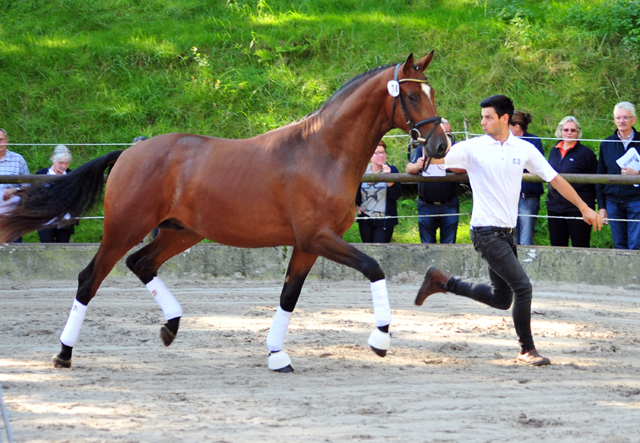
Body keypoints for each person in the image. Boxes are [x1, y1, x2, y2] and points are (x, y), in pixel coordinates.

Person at [414, 95, 602, 366]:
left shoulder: (523, 149)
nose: (482, 122)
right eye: (481, 117)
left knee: (501, 299)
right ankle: (527, 349)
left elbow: (555, 179)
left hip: (506, 233)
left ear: (505, 118)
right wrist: (430, 141)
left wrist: (585, 207)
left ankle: (442, 282)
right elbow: (436, 158)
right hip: (484, 231)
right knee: (523, 287)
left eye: (488, 117)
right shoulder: (472, 147)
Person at [406, 118, 463, 244]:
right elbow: (409, 168)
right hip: (426, 205)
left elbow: (463, 169)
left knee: (449, 246)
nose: (446, 137)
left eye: (448, 133)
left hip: (449, 204)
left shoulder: (456, 148)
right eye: (443, 133)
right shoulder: (423, 147)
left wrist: (446, 162)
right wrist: (417, 166)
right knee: (427, 247)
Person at [547, 117, 598, 247]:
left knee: (580, 247)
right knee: (557, 247)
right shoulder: (554, 151)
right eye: (566, 130)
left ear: (578, 132)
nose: (569, 133)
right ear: (560, 131)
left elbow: (595, 182)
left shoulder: (586, 154)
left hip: (578, 209)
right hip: (555, 208)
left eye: (573, 130)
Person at [597, 102, 640, 249]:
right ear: (614, 120)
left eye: (626, 117)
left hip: (637, 200)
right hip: (613, 201)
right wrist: (602, 206)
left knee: (636, 244)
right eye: (618, 117)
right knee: (619, 245)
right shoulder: (606, 144)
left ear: (634, 120)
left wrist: (638, 174)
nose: (622, 121)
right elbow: (600, 175)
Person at [355, 140, 401, 243]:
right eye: (377, 153)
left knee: (379, 252)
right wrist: (357, 204)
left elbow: (396, 195)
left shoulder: (392, 170)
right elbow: (354, 191)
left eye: (383, 152)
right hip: (365, 219)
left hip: (383, 220)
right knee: (368, 250)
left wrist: (388, 178)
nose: (381, 155)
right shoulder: (362, 171)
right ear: (370, 155)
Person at [510, 111, 544, 245]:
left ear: (516, 127)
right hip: (510, 196)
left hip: (528, 196)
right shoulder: (504, 141)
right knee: (510, 237)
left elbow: (535, 165)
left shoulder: (533, 140)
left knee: (526, 238)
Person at [36, 145, 77, 243]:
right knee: (46, 245)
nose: (63, 166)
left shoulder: (72, 175)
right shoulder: (41, 174)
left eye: (66, 163)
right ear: (53, 158)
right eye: (60, 162)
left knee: (63, 247)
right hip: (45, 220)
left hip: (65, 221)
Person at [0, 128, 30, 242]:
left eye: (1, 140)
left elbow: (28, 186)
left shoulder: (18, 159)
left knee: (14, 245)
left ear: (7, 140)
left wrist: (15, 189)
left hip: (11, 211)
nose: (0, 143)